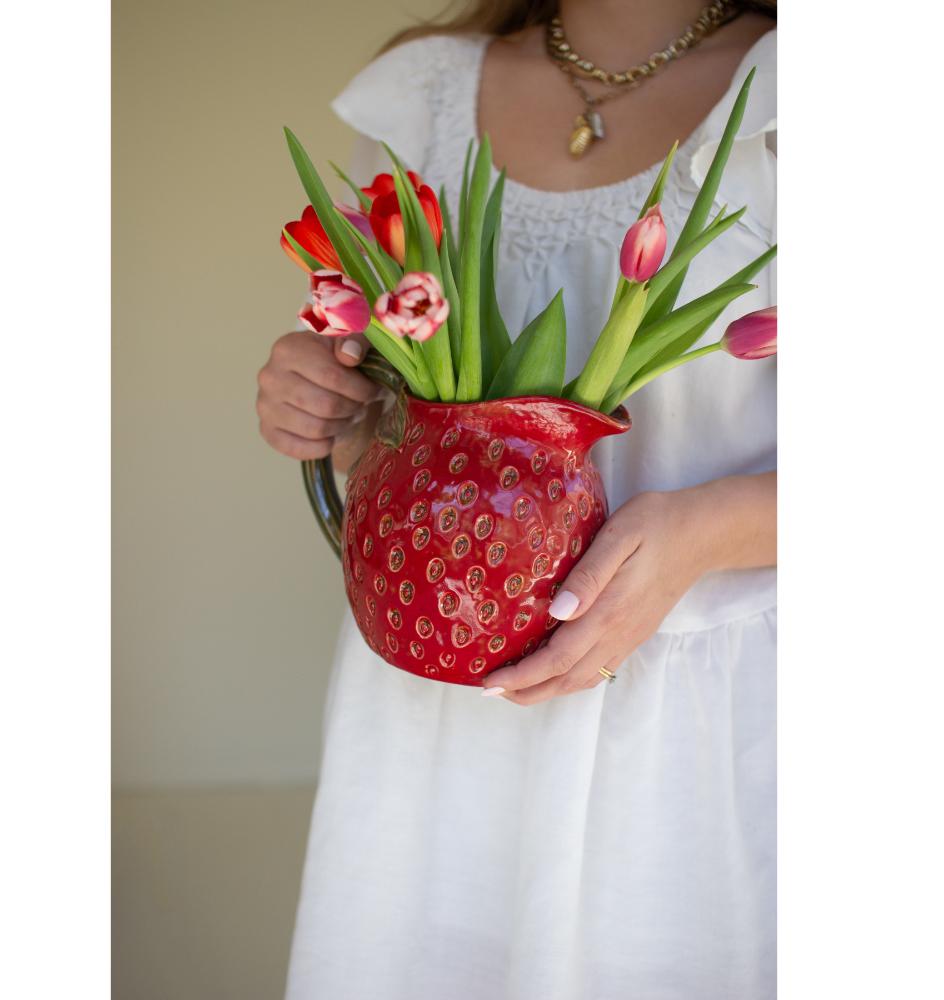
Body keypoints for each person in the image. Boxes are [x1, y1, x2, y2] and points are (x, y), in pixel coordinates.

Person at [257, 2, 777, 996]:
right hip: (437, 725)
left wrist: (701, 533)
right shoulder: (427, 92)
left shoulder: (808, 91)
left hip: (697, 738)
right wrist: (322, 389)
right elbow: (393, 412)